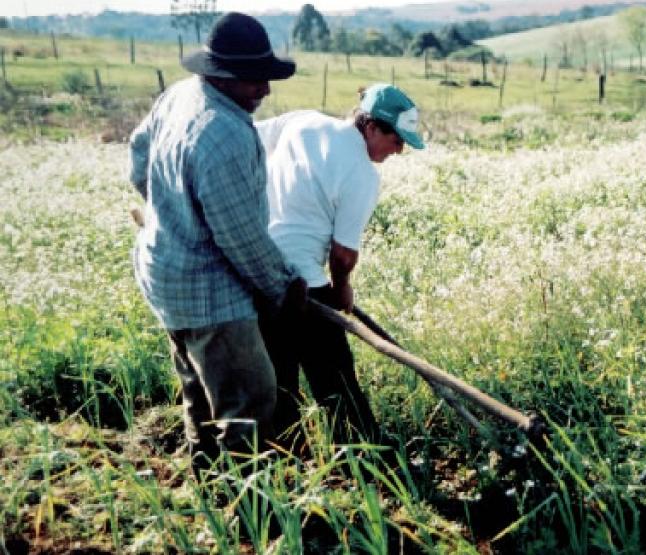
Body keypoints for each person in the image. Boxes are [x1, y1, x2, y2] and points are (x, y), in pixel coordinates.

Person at [127, 12, 309, 476]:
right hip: (211, 295)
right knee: (248, 401)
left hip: (165, 276)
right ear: (220, 75)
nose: (264, 91)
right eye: (253, 80)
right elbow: (242, 240)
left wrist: (172, 212)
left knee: (199, 391)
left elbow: (137, 156)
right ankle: (250, 507)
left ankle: (207, 486)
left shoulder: (180, 95)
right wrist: (283, 289)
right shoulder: (222, 134)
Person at [256, 83, 424, 453]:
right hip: (303, 281)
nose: (400, 150)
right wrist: (341, 287)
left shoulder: (302, 122)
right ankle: (363, 455)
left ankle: (284, 458)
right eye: (398, 140)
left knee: (278, 373)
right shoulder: (362, 174)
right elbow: (344, 253)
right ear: (372, 126)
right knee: (335, 377)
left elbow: (248, 138)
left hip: (255, 268)